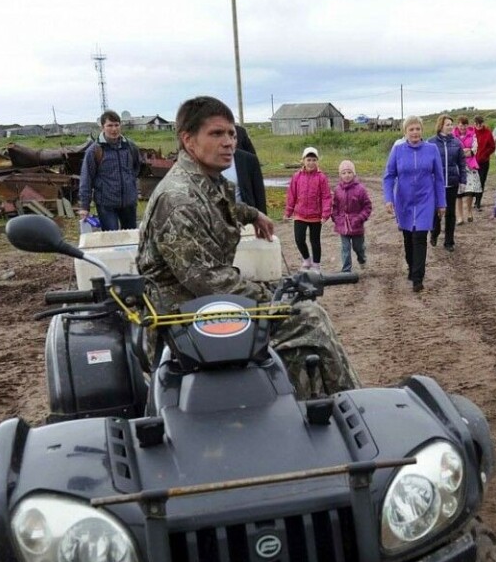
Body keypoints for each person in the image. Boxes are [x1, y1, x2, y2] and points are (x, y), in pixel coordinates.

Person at [136, 95, 359, 393]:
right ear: (188, 140)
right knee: (308, 318)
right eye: (216, 134)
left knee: (298, 317)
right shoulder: (178, 200)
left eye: (231, 133)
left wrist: (252, 214)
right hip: (183, 320)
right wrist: (271, 295)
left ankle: (311, 403)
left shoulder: (204, 181)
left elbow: (222, 206)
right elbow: (209, 280)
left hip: (203, 307)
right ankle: (351, 404)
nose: (229, 142)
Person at [383, 115, 446, 293]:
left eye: (417, 128)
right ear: (405, 132)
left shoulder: (432, 149)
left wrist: (441, 203)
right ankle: (412, 268)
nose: (415, 132)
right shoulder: (398, 150)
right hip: (404, 200)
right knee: (408, 238)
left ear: (422, 131)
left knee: (419, 237)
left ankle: (418, 278)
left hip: (426, 199)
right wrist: (389, 199)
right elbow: (388, 176)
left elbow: (439, 179)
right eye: (411, 129)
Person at [77, 110, 141, 231]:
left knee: (130, 240)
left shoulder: (130, 147)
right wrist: (84, 206)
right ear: (102, 127)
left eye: (116, 125)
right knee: (111, 240)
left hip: (128, 203)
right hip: (106, 205)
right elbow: (86, 179)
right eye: (110, 125)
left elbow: (136, 168)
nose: (114, 129)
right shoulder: (94, 151)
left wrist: (130, 185)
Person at [284, 147, 332, 271]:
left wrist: (325, 213)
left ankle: (316, 264)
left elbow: (326, 196)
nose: (311, 163)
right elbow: (292, 195)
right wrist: (288, 211)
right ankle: (306, 259)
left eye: (314, 160)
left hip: (316, 216)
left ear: (317, 161)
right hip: (300, 214)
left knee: (315, 241)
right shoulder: (297, 177)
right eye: (309, 159)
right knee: (299, 239)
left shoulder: (321, 178)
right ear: (303, 161)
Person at [427, 114, 468, 252]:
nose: (450, 127)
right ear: (441, 126)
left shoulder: (456, 143)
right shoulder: (431, 142)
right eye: (448, 124)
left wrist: (463, 180)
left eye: (451, 124)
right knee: (435, 212)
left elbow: (462, 163)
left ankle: (449, 241)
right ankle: (434, 233)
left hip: (452, 183)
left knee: (451, 213)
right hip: (435, 184)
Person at [330, 160, 372, 273]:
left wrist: (360, 218)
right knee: (345, 248)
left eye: (349, 172)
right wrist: (336, 218)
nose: (347, 175)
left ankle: (362, 259)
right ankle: (346, 270)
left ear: (354, 174)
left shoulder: (360, 189)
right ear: (340, 175)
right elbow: (334, 206)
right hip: (342, 225)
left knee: (358, 247)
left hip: (356, 225)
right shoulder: (337, 190)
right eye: (344, 173)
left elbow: (367, 206)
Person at [221, 148, 267, 213]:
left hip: (244, 218)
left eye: (233, 138)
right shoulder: (205, 160)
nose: (229, 142)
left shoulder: (248, 159)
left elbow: (259, 195)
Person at [453, 116, 480, 224]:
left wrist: (468, 152)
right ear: (457, 125)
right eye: (460, 124)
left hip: (470, 165)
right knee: (458, 193)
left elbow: (474, 149)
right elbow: (454, 149)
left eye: (464, 124)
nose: (462, 127)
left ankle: (468, 211)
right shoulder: (453, 136)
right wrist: (463, 152)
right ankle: (459, 216)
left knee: (469, 191)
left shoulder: (472, 134)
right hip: (457, 166)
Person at [472, 115, 496, 211]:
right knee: (473, 181)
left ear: (483, 123)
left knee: (481, 181)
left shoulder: (487, 132)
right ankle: (472, 199)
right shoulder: (471, 132)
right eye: (476, 124)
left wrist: (485, 154)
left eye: (480, 124)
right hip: (472, 162)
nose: (478, 126)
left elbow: (492, 146)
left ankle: (478, 202)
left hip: (484, 162)